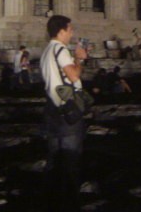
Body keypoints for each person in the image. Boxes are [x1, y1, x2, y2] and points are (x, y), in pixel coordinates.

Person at [40, 14, 89, 211]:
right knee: (70, 160)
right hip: (67, 110)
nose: (71, 33)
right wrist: (79, 59)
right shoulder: (60, 49)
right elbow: (74, 74)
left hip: (51, 108)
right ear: (61, 31)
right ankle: (70, 203)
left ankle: (53, 202)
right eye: (70, 30)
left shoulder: (46, 51)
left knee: (54, 160)